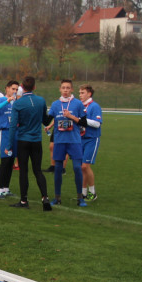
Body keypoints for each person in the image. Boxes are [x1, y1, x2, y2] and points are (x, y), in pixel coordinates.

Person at [3, 76, 52, 211]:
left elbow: (13, 126)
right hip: (37, 141)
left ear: (22, 88)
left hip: (23, 140)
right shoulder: (41, 101)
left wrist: (9, 145)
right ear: (34, 87)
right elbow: (46, 121)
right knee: (37, 170)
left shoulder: (18, 104)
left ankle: (24, 200)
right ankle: (45, 197)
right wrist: (53, 113)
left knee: (23, 171)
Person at [48, 79, 87, 207]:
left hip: (74, 140)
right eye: (63, 88)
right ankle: (57, 197)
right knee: (58, 169)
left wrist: (71, 117)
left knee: (77, 167)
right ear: (60, 89)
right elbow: (49, 118)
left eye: (68, 88)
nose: (65, 90)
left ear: (72, 90)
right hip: (59, 141)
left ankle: (80, 198)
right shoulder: (55, 104)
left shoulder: (78, 104)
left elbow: (83, 122)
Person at [0, 80, 20, 199]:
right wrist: (6, 102)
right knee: (5, 161)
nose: (14, 91)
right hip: (5, 132)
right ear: (7, 89)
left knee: (11, 162)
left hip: (16, 133)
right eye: (13, 89)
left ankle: (6, 189)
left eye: (16, 89)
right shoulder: (1, 100)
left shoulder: (17, 102)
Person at [78, 85, 103, 201]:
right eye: (79, 93)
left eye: (83, 93)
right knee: (81, 168)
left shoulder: (94, 106)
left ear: (89, 94)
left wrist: (83, 121)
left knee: (85, 166)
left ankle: (92, 193)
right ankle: (83, 193)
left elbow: (97, 123)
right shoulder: (80, 106)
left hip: (91, 139)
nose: (80, 95)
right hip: (81, 139)